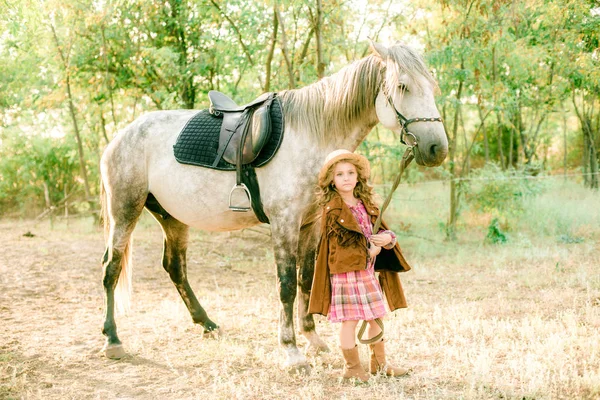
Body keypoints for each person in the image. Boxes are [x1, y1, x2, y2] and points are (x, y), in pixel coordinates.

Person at [308, 149, 412, 382]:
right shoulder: (333, 210)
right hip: (346, 274)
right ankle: (353, 368)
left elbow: (380, 231)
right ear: (331, 182)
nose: (346, 178)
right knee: (350, 321)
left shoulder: (367, 204)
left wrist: (387, 239)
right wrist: (369, 251)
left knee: (375, 317)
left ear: (358, 177)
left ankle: (380, 364)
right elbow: (338, 244)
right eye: (339, 174)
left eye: (350, 173)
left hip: (365, 274)